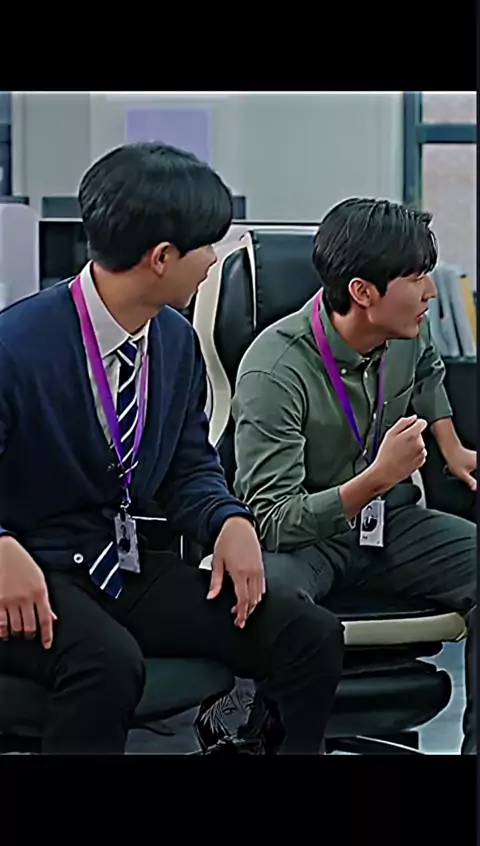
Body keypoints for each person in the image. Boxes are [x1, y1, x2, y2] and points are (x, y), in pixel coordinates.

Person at [0, 143, 344, 755]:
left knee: (306, 633)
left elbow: (189, 465)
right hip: (29, 567)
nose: (214, 261)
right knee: (106, 664)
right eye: (206, 246)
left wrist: (228, 521)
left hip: (117, 563)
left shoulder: (175, 341)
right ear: (161, 258)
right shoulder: (16, 346)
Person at [232, 198, 476, 754]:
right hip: (307, 539)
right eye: (416, 279)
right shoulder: (276, 369)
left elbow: (429, 373)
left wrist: (452, 446)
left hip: (389, 525)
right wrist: (376, 478)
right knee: (274, 600)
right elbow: (272, 521)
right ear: (363, 292)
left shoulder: (406, 335)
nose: (431, 293)